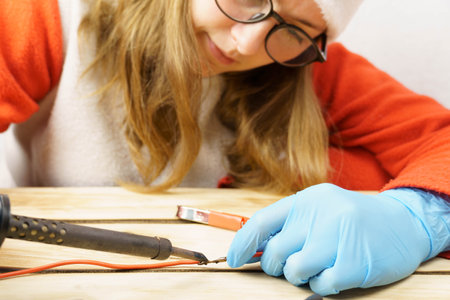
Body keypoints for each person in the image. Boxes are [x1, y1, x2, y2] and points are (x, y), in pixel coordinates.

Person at [0, 0, 449, 296]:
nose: (246, 44)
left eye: (293, 28)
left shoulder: (303, 68)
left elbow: (439, 142)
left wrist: (417, 214)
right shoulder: (53, 15)